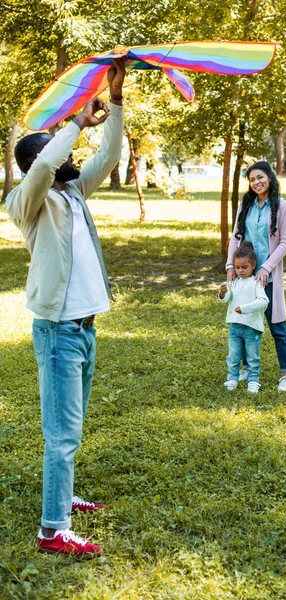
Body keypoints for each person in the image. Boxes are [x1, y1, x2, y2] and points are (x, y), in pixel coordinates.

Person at [6, 59, 126, 558]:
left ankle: (63, 494)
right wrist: (74, 121)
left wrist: (114, 102)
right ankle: (52, 530)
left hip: (85, 329)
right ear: (42, 159)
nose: (70, 151)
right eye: (57, 145)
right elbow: (43, 168)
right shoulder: (26, 200)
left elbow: (110, 154)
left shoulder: (74, 193)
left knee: (69, 430)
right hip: (58, 332)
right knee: (61, 434)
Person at [226, 161, 286, 392]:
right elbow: (236, 237)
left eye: (260, 177)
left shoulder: (283, 207)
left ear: (270, 177)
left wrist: (265, 268)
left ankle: (285, 374)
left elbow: (285, 242)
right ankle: (244, 369)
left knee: (278, 327)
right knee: (243, 322)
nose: (256, 183)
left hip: (268, 278)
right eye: (252, 180)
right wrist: (230, 265)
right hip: (245, 277)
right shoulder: (246, 205)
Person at [219, 242, 269, 394]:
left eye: (244, 267)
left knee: (252, 357)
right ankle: (232, 378)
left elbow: (263, 301)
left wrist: (245, 309)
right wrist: (222, 293)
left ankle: (253, 381)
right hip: (234, 326)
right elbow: (226, 298)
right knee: (233, 355)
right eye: (237, 267)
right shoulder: (234, 282)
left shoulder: (256, 283)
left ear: (253, 265)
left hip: (251, 327)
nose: (240, 270)